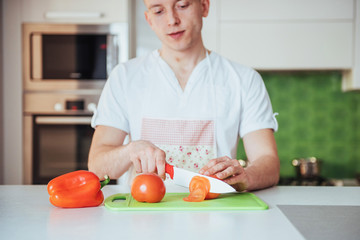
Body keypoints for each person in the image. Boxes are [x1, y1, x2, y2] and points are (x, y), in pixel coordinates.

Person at [88, 0, 280, 191]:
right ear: (149, 20)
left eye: (182, 5)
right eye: (158, 11)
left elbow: (268, 162)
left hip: (217, 215)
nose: (172, 20)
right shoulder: (124, 77)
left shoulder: (244, 79)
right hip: (144, 215)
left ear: (204, 6)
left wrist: (247, 176)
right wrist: (130, 150)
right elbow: (97, 166)